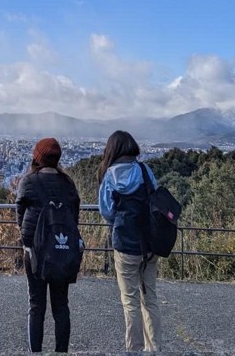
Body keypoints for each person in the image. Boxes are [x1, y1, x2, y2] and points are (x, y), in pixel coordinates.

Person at [98, 130, 161, 354]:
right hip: (150, 244)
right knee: (150, 297)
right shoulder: (145, 171)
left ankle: (133, 350)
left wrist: (121, 222)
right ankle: (153, 349)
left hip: (125, 244)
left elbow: (106, 211)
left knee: (130, 300)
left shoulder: (110, 176)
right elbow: (157, 201)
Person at [16, 137, 81, 354]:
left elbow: (20, 214)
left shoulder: (28, 181)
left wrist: (28, 239)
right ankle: (61, 351)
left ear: (37, 157)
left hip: (34, 251)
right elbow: (74, 216)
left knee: (36, 305)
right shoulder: (68, 183)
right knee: (61, 305)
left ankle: (36, 352)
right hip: (61, 250)